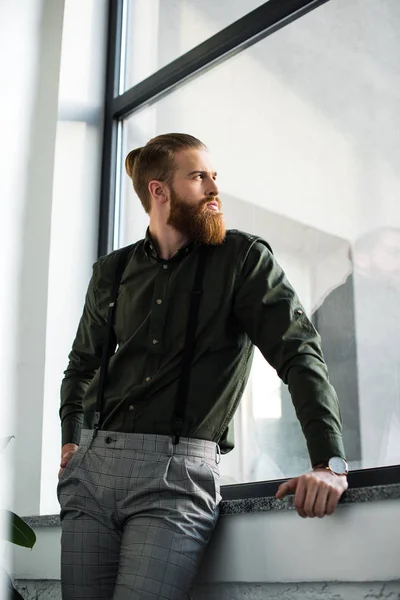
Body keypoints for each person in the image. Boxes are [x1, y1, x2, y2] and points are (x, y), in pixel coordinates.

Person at [58, 133, 348, 600]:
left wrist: (329, 462)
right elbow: (82, 365)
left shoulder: (244, 260)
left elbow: (299, 354)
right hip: (92, 470)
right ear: (159, 191)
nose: (214, 188)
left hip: (177, 477)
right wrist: (72, 440)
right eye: (198, 177)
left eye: (215, 177)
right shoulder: (112, 272)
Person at [313, 227, 400, 468]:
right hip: (351, 436)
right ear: (361, 257)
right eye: (394, 252)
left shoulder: (387, 301)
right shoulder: (343, 302)